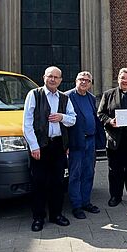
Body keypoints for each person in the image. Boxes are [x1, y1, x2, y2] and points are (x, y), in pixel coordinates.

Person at [23, 66, 76, 232]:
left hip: (58, 146)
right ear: (44, 77)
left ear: (60, 80)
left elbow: (73, 119)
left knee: (58, 183)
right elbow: (27, 123)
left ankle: (56, 215)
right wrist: (34, 146)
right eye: (50, 76)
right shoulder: (34, 95)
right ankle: (38, 218)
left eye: (56, 77)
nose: (53, 79)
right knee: (38, 183)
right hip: (40, 146)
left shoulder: (64, 98)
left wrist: (62, 117)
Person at [97, 68, 127, 207]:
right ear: (118, 79)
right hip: (115, 140)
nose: (125, 81)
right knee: (114, 170)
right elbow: (100, 114)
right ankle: (115, 196)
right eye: (123, 78)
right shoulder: (108, 95)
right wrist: (110, 121)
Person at [65, 71, 105, 219]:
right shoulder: (67, 97)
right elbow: (64, 123)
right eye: (81, 79)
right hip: (76, 141)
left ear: (90, 84)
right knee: (75, 174)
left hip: (90, 141)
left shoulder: (91, 98)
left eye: (87, 80)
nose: (84, 82)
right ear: (76, 81)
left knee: (89, 173)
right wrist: (66, 144)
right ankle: (76, 206)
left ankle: (86, 202)